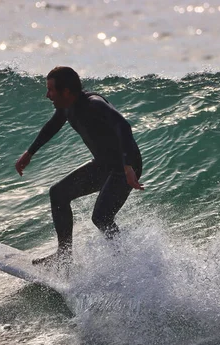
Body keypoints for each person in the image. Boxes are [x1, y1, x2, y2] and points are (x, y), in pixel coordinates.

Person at [15, 66, 144, 266]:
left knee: (101, 217)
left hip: (125, 167)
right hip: (103, 165)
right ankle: (64, 256)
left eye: (51, 90)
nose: (47, 95)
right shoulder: (67, 107)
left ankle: (127, 263)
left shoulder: (94, 104)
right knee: (58, 194)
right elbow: (53, 125)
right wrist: (30, 152)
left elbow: (123, 126)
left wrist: (128, 167)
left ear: (66, 91)